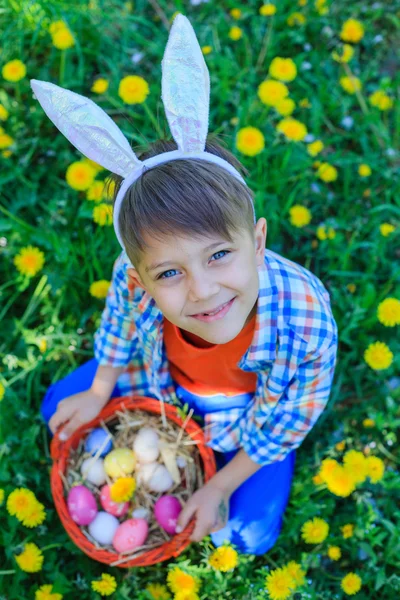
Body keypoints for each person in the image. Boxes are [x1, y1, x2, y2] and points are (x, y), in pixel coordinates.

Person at [35, 15, 338, 555]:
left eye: (220, 255)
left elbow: (291, 416)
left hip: (250, 418)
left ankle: (221, 469)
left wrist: (221, 482)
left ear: (259, 241)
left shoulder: (305, 318)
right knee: (60, 406)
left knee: (245, 535)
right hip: (162, 378)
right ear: (140, 276)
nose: (201, 290)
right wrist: (101, 388)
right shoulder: (133, 282)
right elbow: (120, 322)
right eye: (169, 273)